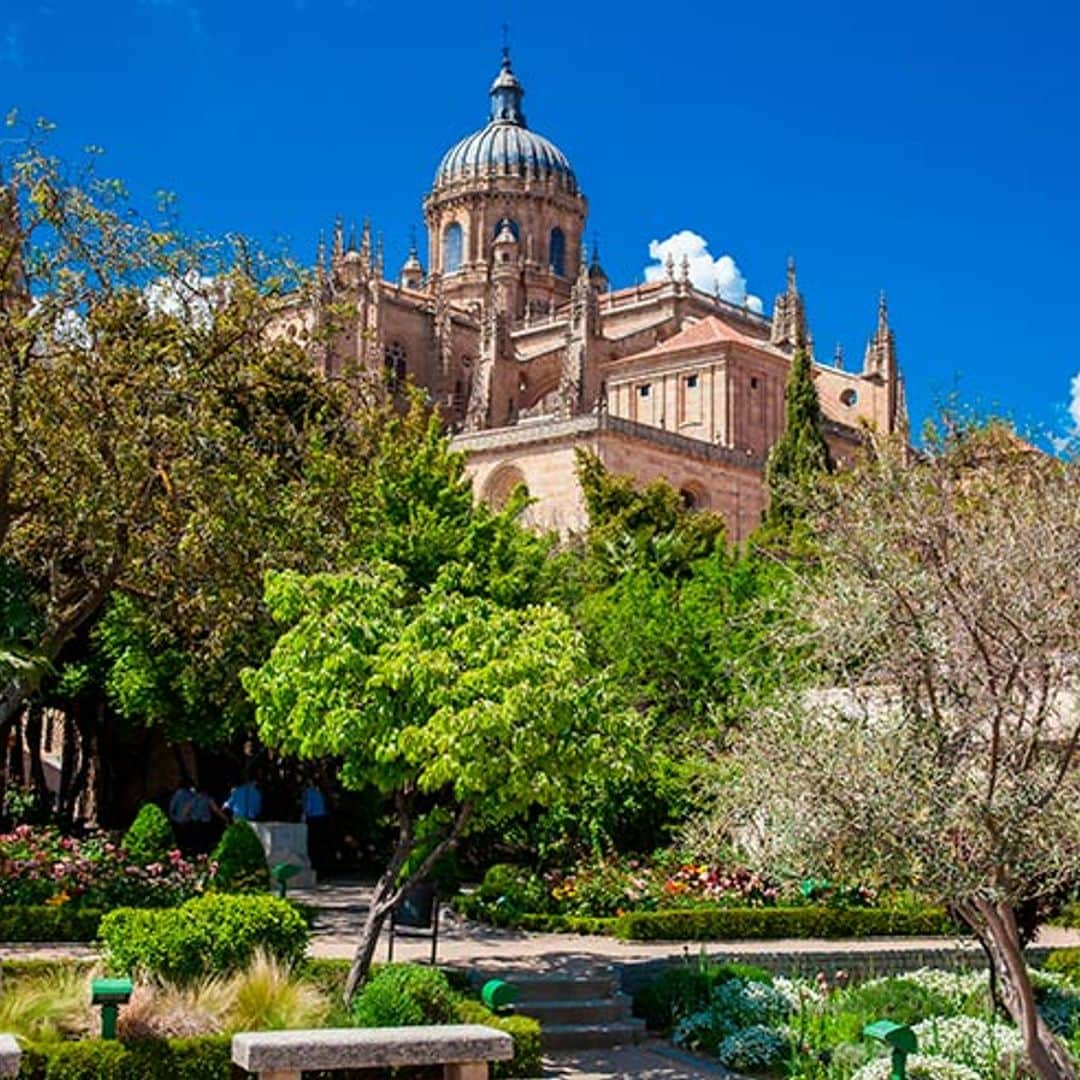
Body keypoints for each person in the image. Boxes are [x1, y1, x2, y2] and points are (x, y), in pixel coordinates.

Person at [300, 778, 330, 872]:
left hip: (314, 820)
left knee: (313, 844)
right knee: (320, 844)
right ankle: (322, 867)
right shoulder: (318, 792)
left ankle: (314, 867)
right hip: (322, 818)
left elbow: (308, 808)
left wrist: (303, 817)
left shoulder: (308, 793)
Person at [188, 783, 227, 854]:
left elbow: (186, 810)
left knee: (197, 842)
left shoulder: (192, 799)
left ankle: (199, 856)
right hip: (206, 823)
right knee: (207, 842)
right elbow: (216, 810)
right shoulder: (208, 798)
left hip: (195, 823)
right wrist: (225, 818)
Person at [167, 782, 196, 852]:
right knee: (189, 840)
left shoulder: (178, 794)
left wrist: (173, 818)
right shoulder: (191, 794)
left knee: (180, 841)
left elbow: (172, 808)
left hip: (179, 820)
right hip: (189, 820)